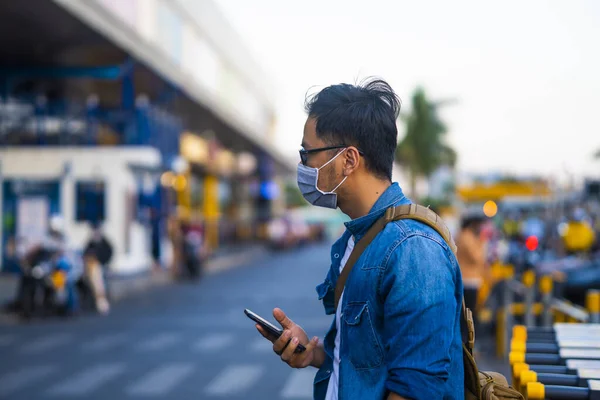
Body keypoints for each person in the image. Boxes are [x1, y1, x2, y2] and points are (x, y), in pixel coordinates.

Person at [255, 79, 464, 399]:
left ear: (349, 160)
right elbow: (365, 359)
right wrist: (314, 355)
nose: (303, 165)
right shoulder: (358, 240)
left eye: (307, 152)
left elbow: (416, 389)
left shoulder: (412, 249)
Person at [456, 214, 487, 321]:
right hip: (468, 280)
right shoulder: (467, 237)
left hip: (468, 279)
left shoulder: (463, 235)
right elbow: (476, 257)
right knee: (469, 314)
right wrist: (482, 242)